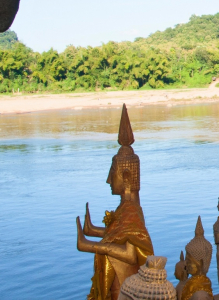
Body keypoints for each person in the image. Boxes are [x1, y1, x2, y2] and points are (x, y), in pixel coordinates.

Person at [76, 104, 154, 300]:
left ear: (126, 177)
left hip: (123, 289)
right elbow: (119, 236)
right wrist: (92, 230)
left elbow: (130, 254)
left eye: (112, 173)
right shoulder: (124, 208)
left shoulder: (131, 211)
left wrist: (89, 245)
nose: (109, 180)